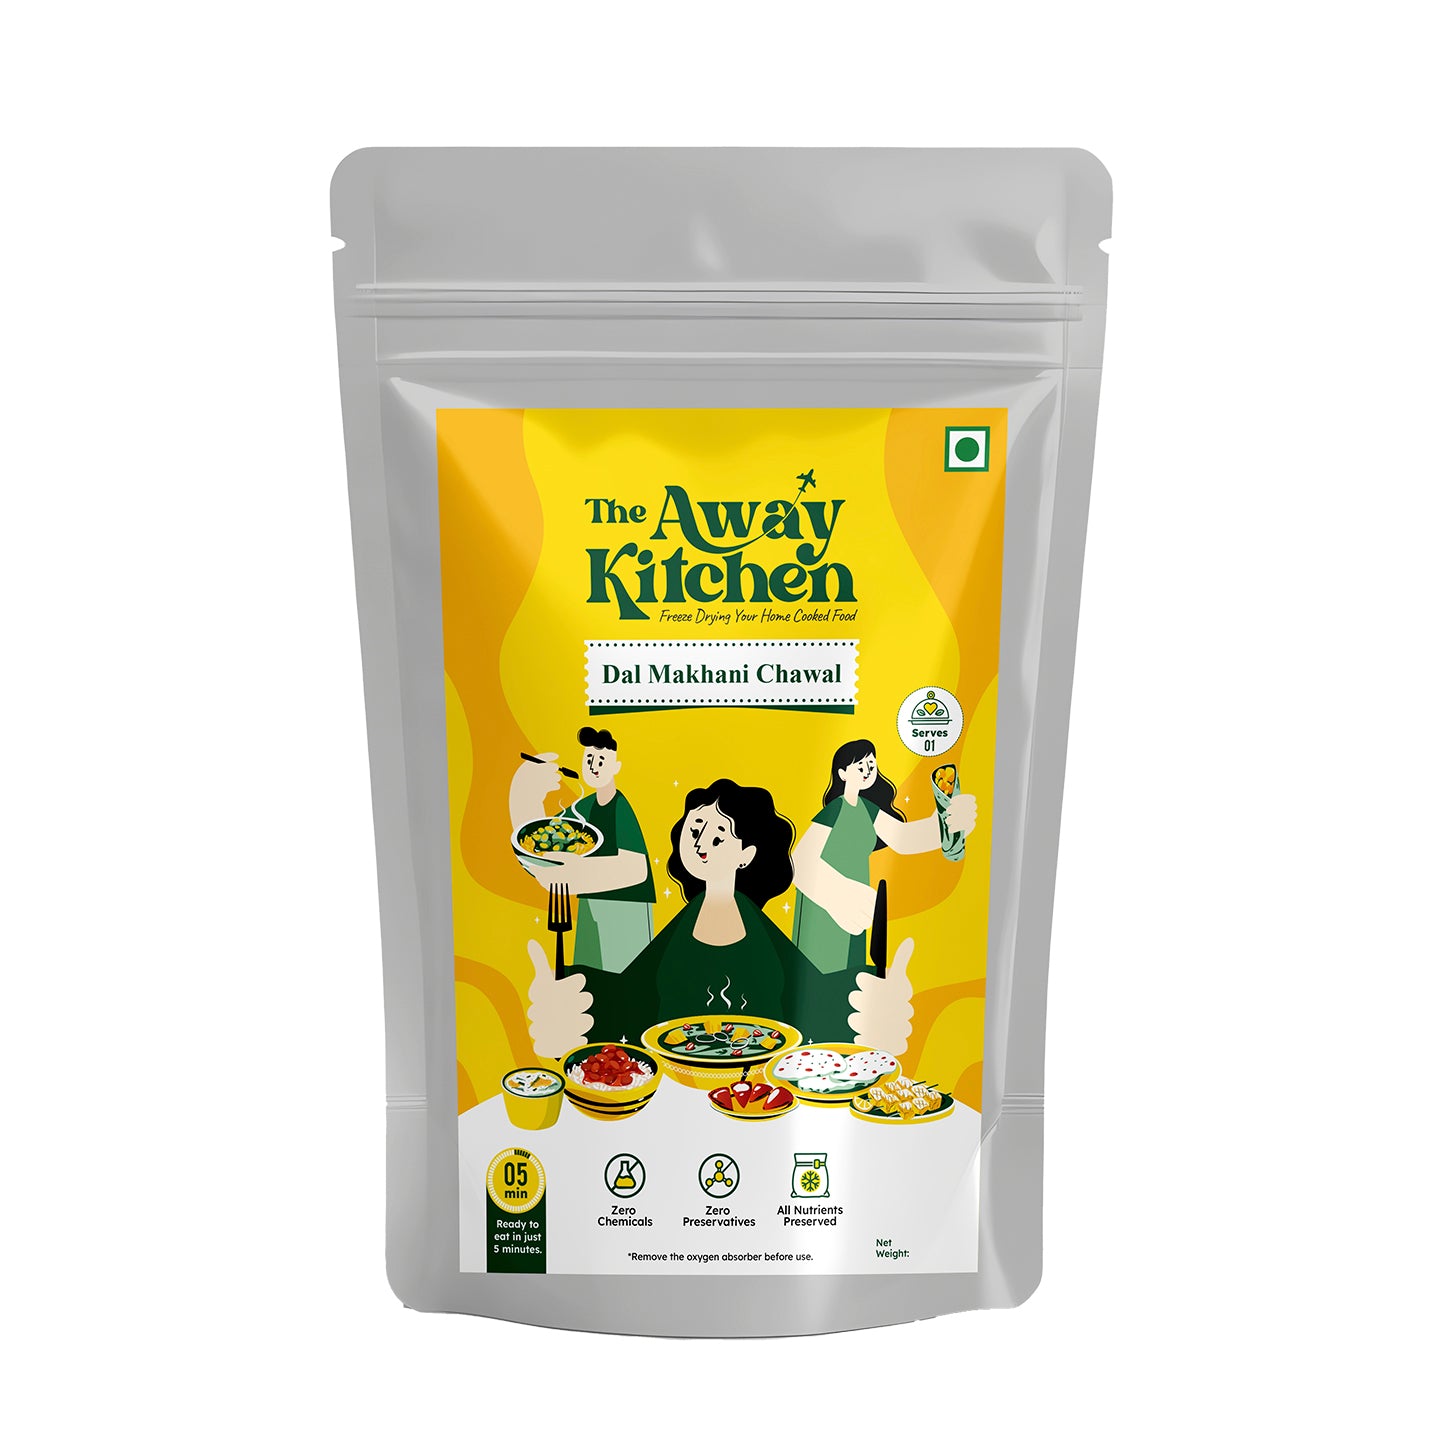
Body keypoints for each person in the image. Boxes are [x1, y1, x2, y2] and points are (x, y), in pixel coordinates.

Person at [526, 778, 915, 1055]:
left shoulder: (761, 934)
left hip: (767, 1099)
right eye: (695, 829)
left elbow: (811, 996)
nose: (701, 843)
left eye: (718, 836)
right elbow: (632, 995)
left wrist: (870, 1003)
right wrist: (572, 1001)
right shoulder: (678, 931)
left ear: (747, 855)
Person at [791, 739, 977, 977]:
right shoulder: (835, 810)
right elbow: (800, 860)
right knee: (821, 970)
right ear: (842, 773)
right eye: (860, 765)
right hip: (823, 910)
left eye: (871, 764)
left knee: (849, 972)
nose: (867, 770)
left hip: (858, 906)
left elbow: (904, 839)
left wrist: (945, 821)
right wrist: (838, 895)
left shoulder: (868, 810)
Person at [510, 727, 654, 974]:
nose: (593, 766)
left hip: (627, 908)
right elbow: (543, 836)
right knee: (588, 978)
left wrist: (580, 871)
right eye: (589, 759)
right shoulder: (584, 808)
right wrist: (526, 794)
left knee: (625, 981)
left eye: (601, 760)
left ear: (616, 766)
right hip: (590, 903)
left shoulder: (620, 808)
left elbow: (637, 869)